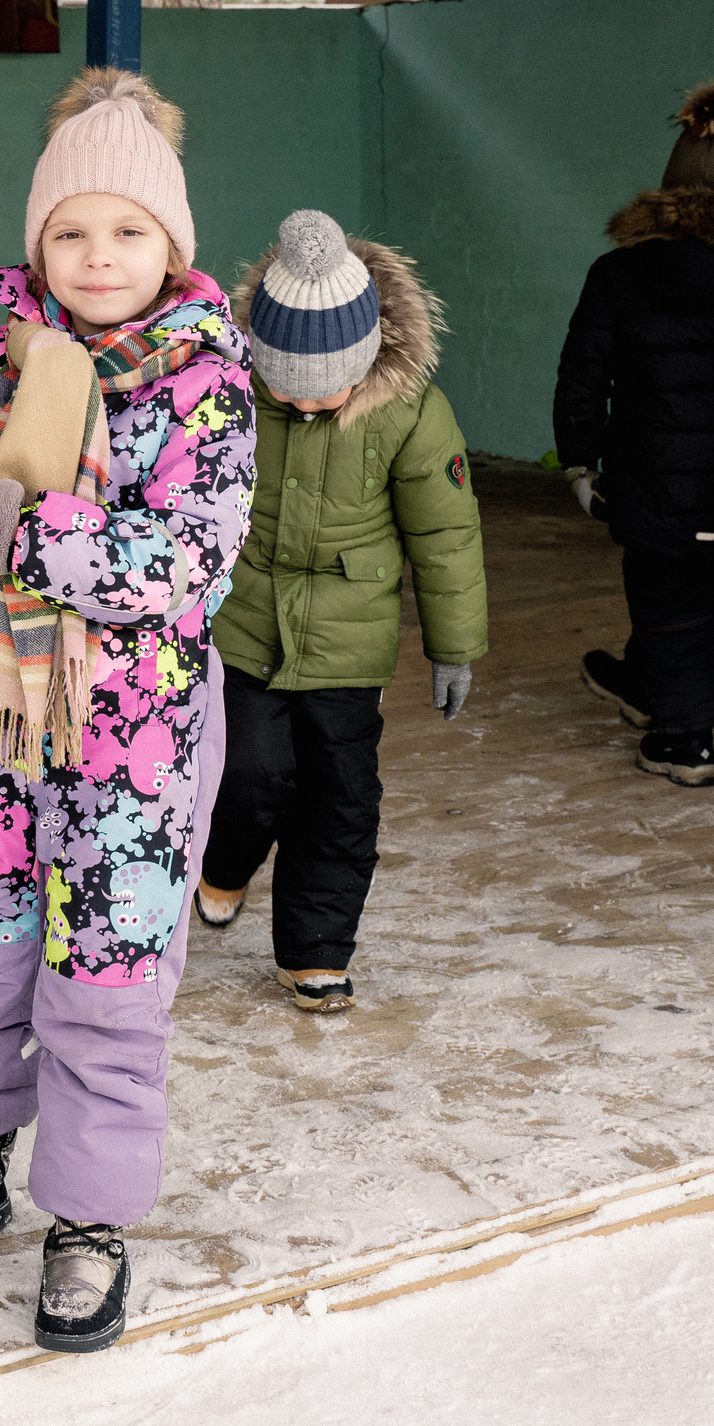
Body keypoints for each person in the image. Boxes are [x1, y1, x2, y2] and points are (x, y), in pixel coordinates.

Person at [0, 67, 255, 1353]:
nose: (96, 256)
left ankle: (86, 1216)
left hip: (134, 748)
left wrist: (16, 527)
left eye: (127, 231)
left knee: (107, 978)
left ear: (172, 245)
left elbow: (179, 567)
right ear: (35, 245)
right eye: (69, 232)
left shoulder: (207, 390)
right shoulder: (6, 360)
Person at [188, 211, 484, 1013]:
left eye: (329, 389)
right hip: (245, 620)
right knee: (247, 772)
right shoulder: (228, 391)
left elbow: (446, 533)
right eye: (286, 385)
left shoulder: (411, 412)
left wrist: (453, 647)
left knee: (340, 796)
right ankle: (224, 859)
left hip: (350, 638)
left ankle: (315, 950)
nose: (306, 402)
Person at [553, 80, 714, 786]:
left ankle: (684, 740)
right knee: (688, 600)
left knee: (673, 606)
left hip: (649, 481)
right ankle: (644, 684)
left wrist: (579, 463)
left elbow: (584, 374)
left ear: (669, 187)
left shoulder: (620, 274)